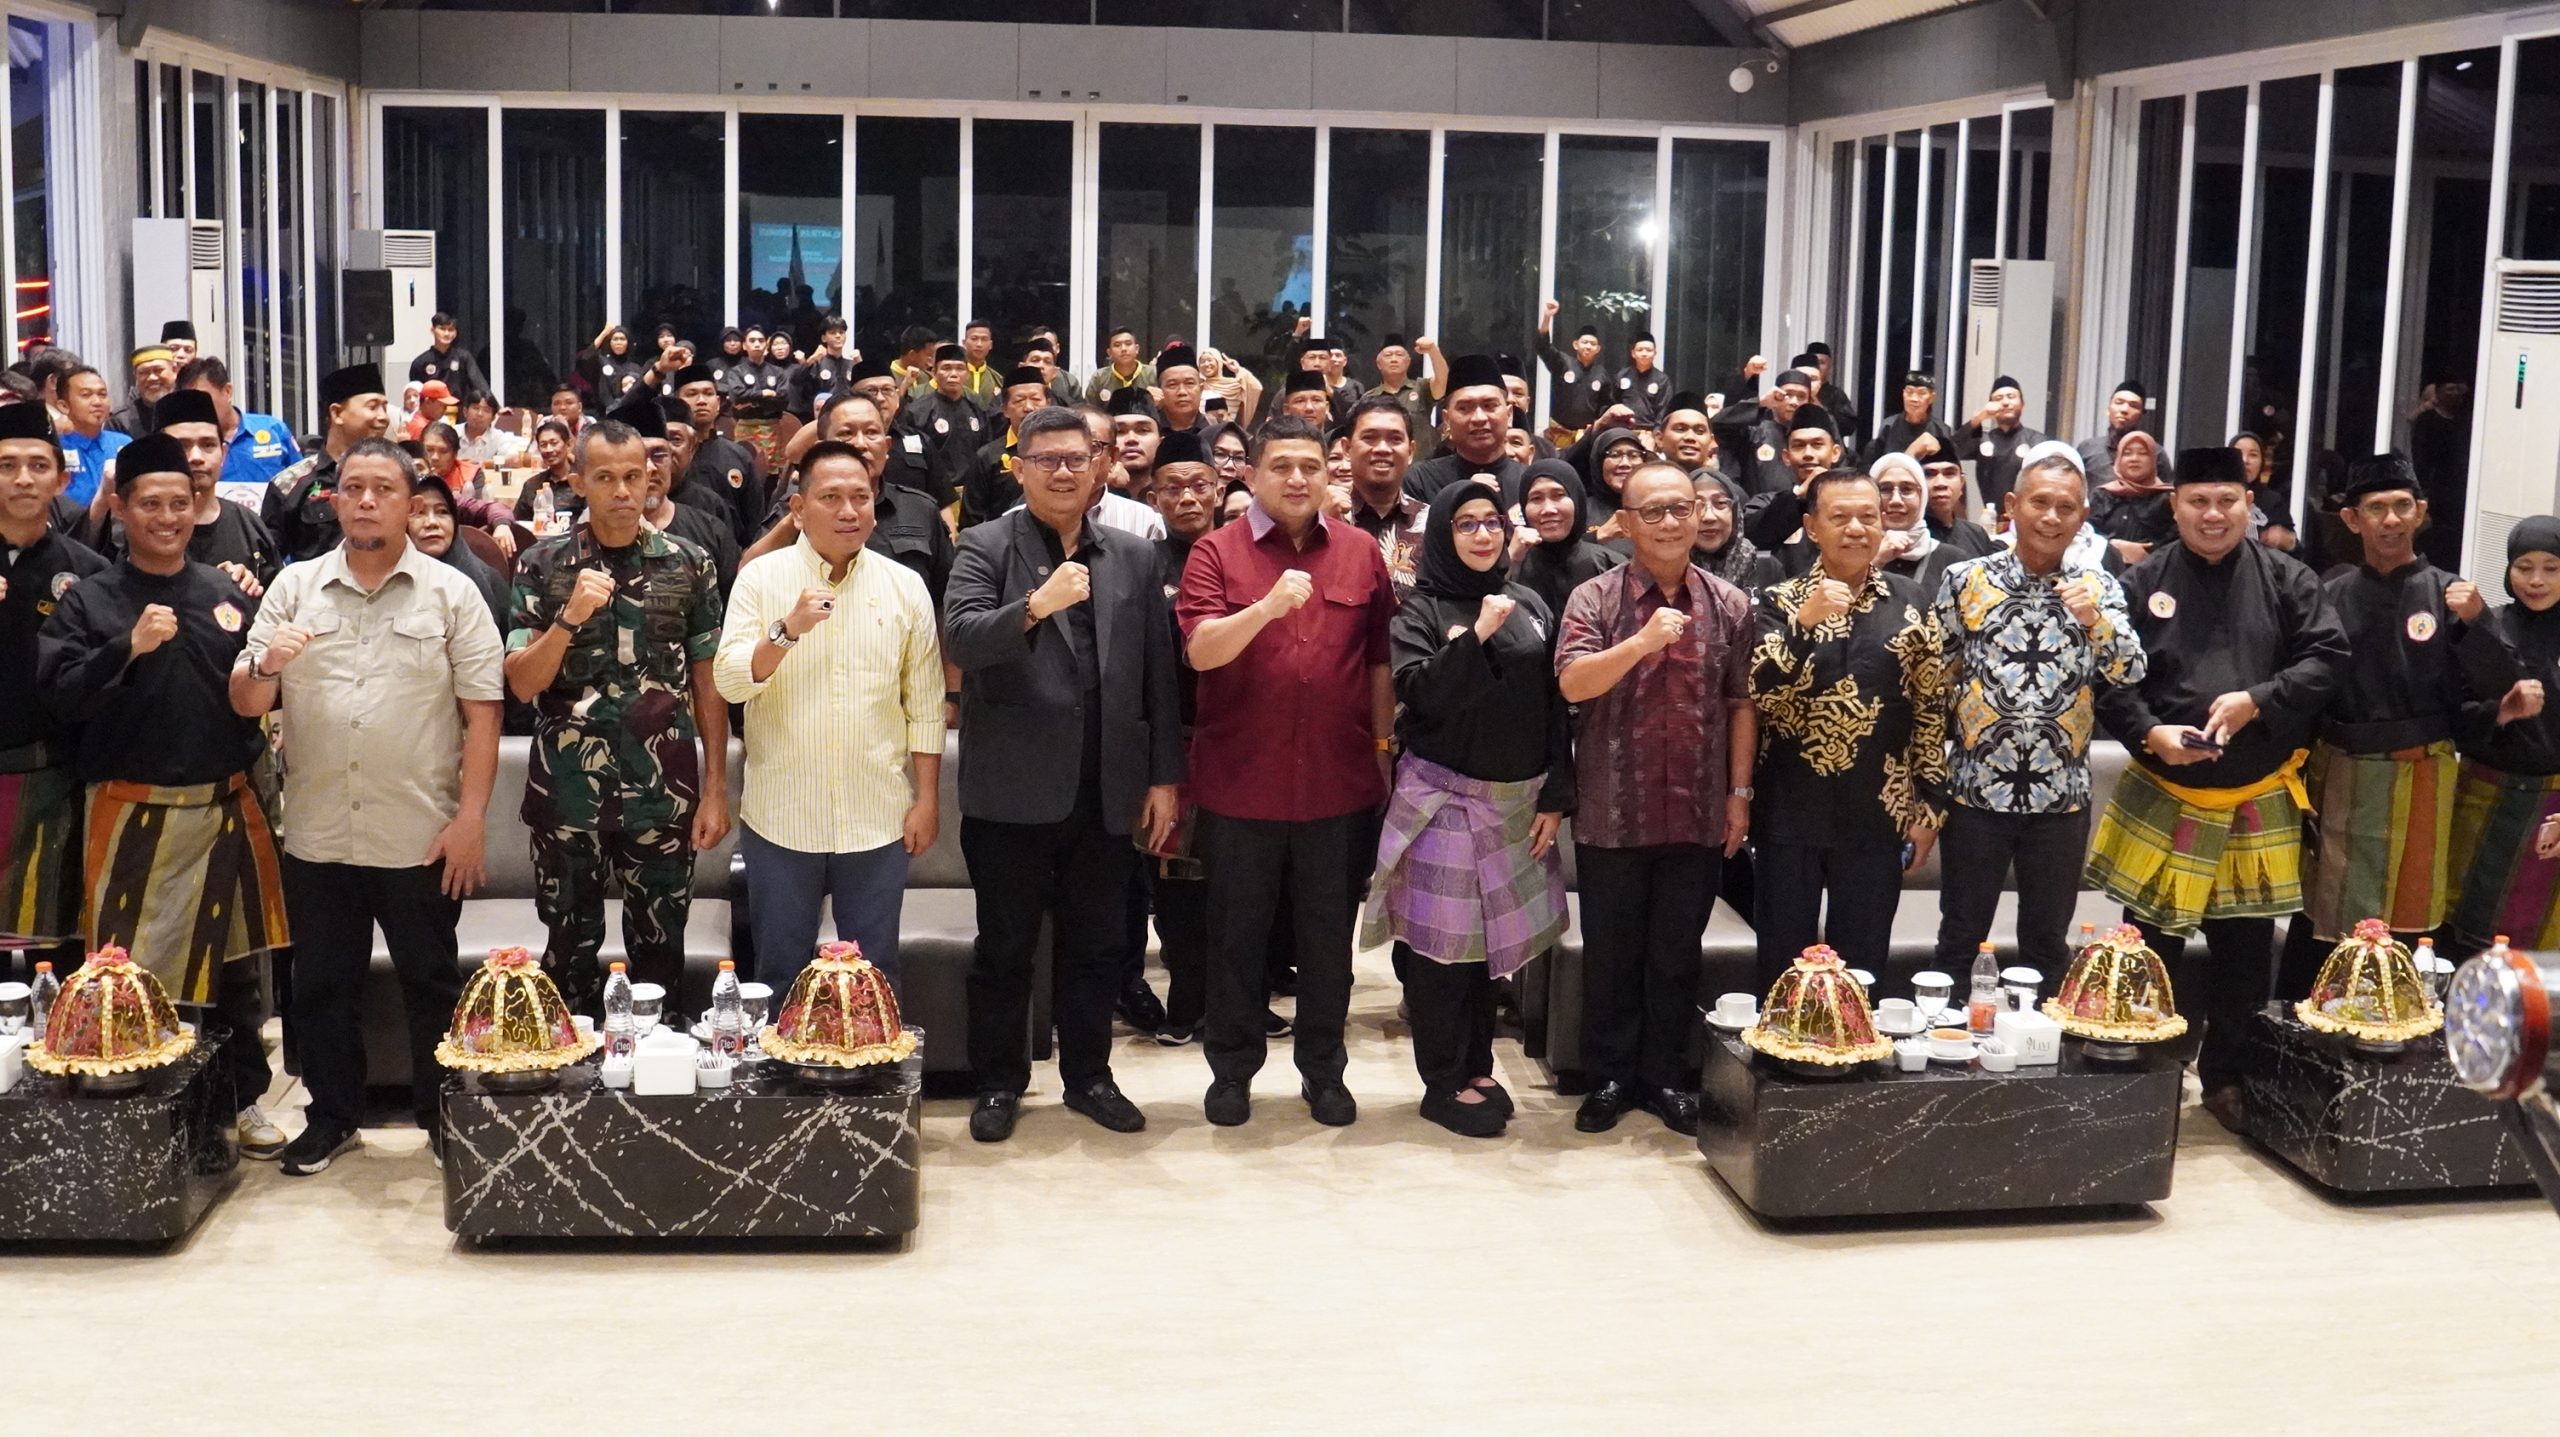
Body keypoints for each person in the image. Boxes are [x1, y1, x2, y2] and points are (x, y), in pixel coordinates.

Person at [228, 440, 501, 1174]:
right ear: (335, 500)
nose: (367, 500)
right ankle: (332, 1118)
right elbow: (246, 699)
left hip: (419, 831)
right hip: (318, 831)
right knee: (320, 987)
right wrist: (268, 663)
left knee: (431, 983)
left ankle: (442, 1119)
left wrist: (471, 820)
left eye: (384, 488)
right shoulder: (295, 587)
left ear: (411, 503)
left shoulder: (452, 593)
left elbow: (483, 714)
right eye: (353, 488)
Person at [36, 433, 288, 1157]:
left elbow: (255, 698)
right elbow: (61, 698)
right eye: (151, 504)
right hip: (131, 814)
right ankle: (150, 1118)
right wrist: (127, 648)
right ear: (121, 507)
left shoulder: (225, 593)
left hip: (225, 806)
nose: (169, 517)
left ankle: (240, 1101)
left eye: (180, 503)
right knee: (133, 977)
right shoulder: (90, 599)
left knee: (235, 976)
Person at [2087, 445, 2348, 1126]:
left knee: (2245, 950)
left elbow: (2327, 658)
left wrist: (2259, 699)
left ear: (2248, 504)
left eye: (2226, 500)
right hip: (2166, 786)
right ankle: (2144, 1074)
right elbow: (2110, 678)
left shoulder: (2289, 577)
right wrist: (2151, 733)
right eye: (2198, 501)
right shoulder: (2140, 582)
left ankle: (2227, 1079)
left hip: (2255, 788)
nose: (2212, 514)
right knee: (2148, 947)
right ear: (2174, 505)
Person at [944, 407, 1183, 1139]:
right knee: (1006, 947)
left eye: (1078, 458)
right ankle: (998, 1082)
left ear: (1101, 465)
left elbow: (1158, 674)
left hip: (1106, 787)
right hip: (1010, 789)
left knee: (1098, 945)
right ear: (1019, 468)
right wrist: (1034, 606)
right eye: (1046, 459)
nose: (1063, 472)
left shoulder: (1134, 554)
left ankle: (1090, 1077)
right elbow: (961, 639)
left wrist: (1163, 778)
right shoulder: (985, 545)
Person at [1177, 416, 1395, 1128]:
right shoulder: (1216, 551)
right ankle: (1232, 1072)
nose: (1297, 479)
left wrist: (1383, 749)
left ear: (1329, 473)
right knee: (1236, 940)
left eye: (1310, 466)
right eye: (1281, 466)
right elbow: (1202, 650)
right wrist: (1268, 608)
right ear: (1250, 474)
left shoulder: (1360, 550)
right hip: (1242, 783)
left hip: (1338, 782)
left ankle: (1323, 1072)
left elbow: (1378, 661)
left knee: (1328, 945)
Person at [1354, 483, 1567, 1138]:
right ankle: (1441, 1080)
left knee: (1489, 951)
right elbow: (1420, 694)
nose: (1482, 534)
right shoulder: (1420, 608)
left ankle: (1477, 1066)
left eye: (1491, 522)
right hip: (1443, 799)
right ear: (1443, 535)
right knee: (1441, 951)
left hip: (1516, 803)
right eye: (1466, 523)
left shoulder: (1531, 601)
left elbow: (1555, 701)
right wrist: (1475, 636)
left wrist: (1557, 794)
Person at [1555, 462, 1757, 1135]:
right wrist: (1641, 643)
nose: (1670, 522)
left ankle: (1666, 1075)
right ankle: (1609, 1075)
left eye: (1681, 508)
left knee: (1677, 953)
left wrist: (1738, 794)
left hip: (1697, 809)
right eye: (1653, 511)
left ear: (1699, 515)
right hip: (1614, 807)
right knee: (1612, 952)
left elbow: (1740, 702)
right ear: (1626, 521)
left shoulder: (1730, 603)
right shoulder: (1594, 598)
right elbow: (1573, 683)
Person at [503, 419, 730, 1010]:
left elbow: (708, 682)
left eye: (634, 476)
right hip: (567, 792)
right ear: (578, 481)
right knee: (566, 953)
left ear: (651, 477)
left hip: (663, 788)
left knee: (661, 953)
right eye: (605, 478)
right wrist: (569, 618)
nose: (623, 491)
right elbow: (523, 682)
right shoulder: (541, 562)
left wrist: (715, 789)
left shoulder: (690, 563)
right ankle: (574, 1063)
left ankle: (655, 1063)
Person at [715, 442, 941, 1002]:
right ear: (798, 508)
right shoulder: (760, 578)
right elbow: (731, 682)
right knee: (780, 974)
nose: (848, 511)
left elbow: (926, 701)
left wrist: (928, 798)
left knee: (874, 974)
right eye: (831, 498)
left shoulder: (903, 584)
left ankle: (873, 1062)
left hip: (877, 813)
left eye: (860, 498)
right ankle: (782, 1064)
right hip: (782, 815)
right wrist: (786, 630)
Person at [1932, 451, 2145, 976]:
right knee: (1960, 935)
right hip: (1976, 790)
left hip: (2060, 796)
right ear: (2012, 505)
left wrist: (2094, 620)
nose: (2051, 517)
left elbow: (2130, 670)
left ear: (2083, 516)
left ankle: (2043, 1029)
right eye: (2040, 503)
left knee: (2047, 943)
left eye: (2066, 508)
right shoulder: (1965, 579)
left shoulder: (2099, 587)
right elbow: (1934, 678)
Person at [1747, 467, 1951, 988]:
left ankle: (1855, 1044)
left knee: (1861, 972)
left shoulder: (1911, 602)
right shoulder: (1779, 600)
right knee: (1783, 971)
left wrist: (1931, 807)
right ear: (1812, 528)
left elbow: (1931, 709)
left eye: (1868, 517)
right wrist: (1804, 624)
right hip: (1789, 812)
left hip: (1878, 813)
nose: (1857, 529)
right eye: (1840, 517)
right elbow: (1760, 693)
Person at [2280, 453, 2474, 993]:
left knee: (2411, 915)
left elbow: (2479, 695)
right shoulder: (2329, 593)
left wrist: (2479, 624)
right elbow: (2305, 686)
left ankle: (2400, 1034)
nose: (2391, 520)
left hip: (2422, 774)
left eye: (2402, 506)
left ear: (2421, 513)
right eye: (2376, 508)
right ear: (2351, 519)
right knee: (2324, 912)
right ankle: (2303, 1030)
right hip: (2338, 773)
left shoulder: (2450, 594)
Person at [0, 401, 105, 967]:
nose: (23, 478)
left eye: (38, 466)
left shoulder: (87, 572)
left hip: (54, 779)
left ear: (62, 480)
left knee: (61, 947)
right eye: (7, 465)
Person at [2444, 516, 2560, 954]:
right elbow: (2455, 717)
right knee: (2463, 935)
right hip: (2483, 802)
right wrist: (2503, 712)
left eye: (2551, 568)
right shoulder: (2484, 626)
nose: (2536, 580)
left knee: (2542, 947)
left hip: (2553, 812)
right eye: (2524, 567)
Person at [146, 388, 282, 594]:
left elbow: (278, 600)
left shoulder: (249, 525)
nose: (196, 457)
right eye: (182, 446)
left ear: (223, 453)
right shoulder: (141, 528)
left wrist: (249, 593)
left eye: (208, 445)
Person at [265, 363, 391, 563]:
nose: (383, 417)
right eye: (373, 407)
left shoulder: (398, 477)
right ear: (337, 413)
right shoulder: (290, 484)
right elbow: (266, 560)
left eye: (385, 407)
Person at [176, 357, 302, 499]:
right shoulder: (183, 445)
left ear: (228, 391)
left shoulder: (273, 429)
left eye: (203, 400)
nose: (198, 409)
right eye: (190, 403)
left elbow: (302, 481)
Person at [1510, 458, 1623, 617]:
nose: (1548, 509)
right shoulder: (1514, 567)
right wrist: (1510, 562)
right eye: (1536, 498)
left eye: (1558, 495)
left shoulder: (1611, 565)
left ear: (1577, 500)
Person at [1339, 395, 1427, 595]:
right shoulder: (1323, 520)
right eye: (1369, 438)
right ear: (1347, 448)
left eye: (1395, 439)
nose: (1382, 449)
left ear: (1411, 451)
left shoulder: (1432, 523)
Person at [1404, 354, 1520, 505]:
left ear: (1509, 415)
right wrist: (1460, 496)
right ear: (1447, 420)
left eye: (1489, 406)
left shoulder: (1531, 483)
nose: (1479, 418)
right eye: (1464, 408)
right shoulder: (1421, 480)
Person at [959, 366, 1055, 529]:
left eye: (1036, 399)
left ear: (1048, 404)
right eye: (1019, 400)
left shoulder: (1061, 452)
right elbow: (971, 519)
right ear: (1004, 409)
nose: (1028, 407)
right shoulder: (987, 456)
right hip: (1001, 540)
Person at [411, 474, 510, 630]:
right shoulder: (384, 579)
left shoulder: (485, 579)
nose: (432, 522)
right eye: (419, 513)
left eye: (442, 511)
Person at [903, 343, 989, 503]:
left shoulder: (977, 410)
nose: (953, 374)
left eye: (960, 368)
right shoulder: (917, 411)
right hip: (934, 495)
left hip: (972, 494)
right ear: (934, 373)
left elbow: (985, 453)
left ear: (967, 374)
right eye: (946, 368)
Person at [1714, 365, 1816, 497]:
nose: (1794, 402)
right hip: (1758, 507)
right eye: (1788, 395)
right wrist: (1762, 402)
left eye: (1801, 397)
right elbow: (1718, 425)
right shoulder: (1755, 432)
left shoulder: (1814, 436)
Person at [1951, 375, 2047, 510]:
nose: (2005, 402)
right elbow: (1953, 450)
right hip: (1991, 516)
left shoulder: (2038, 441)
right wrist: (1979, 417)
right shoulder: (1984, 439)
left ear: (2022, 405)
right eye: (1998, 398)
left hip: (2026, 515)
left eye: (2011, 397)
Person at [2088, 428, 2175, 566]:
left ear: (2153, 460)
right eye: (2127, 453)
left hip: (2152, 571)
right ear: (2118, 459)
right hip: (2102, 570)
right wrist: (2113, 546)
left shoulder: (2167, 499)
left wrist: (2148, 554)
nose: (2134, 459)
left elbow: (2176, 541)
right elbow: (2085, 533)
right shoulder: (2102, 495)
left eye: (2143, 453)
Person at [1692, 468, 1780, 594]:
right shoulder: (1670, 573)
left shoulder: (1766, 568)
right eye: (1697, 505)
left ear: (1735, 512)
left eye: (1720, 503)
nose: (1709, 516)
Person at [57, 366, 130, 512]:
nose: (97, 402)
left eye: (103, 395)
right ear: (64, 406)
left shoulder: (123, 443)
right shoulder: (55, 447)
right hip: (69, 523)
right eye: (86, 395)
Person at [1536, 303, 1612, 443]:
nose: (1588, 346)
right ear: (1576, 345)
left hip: (1586, 434)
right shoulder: (1563, 363)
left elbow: (1605, 405)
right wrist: (1547, 317)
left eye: (1592, 344)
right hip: (1559, 432)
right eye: (1585, 342)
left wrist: (1599, 425)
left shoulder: (1602, 374)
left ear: (1598, 349)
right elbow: (1543, 347)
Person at [1861, 371, 1955, 470]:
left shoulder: (1941, 429)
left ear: (1932, 397)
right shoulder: (1888, 426)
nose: (1914, 399)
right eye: (1909, 392)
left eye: (1921, 393)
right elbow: (1874, 464)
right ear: (1903, 394)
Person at [2077, 379, 2149, 490]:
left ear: (2141, 416)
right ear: (2108, 410)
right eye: (2119, 403)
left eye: (2133, 405)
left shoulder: (2155, 455)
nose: (2124, 409)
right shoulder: (2087, 449)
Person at [409, 311, 491, 402]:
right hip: (431, 409)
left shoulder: (463, 357)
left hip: (458, 408)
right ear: (433, 330)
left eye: (451, 330)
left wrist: (497, 407)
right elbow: (414, 392)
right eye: (442, 329)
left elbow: (480, 384)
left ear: (455, 333)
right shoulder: (420, 362)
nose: (447, 333)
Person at [513, 419, 581, 523]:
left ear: (568, 445)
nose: (549, 450)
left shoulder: (582, 482)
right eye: (543, 445)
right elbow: (519, 524)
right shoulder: (532, 485)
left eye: (554, 443)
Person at [112, 344, 178, 438]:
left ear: (174, 370)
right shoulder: (121, 421)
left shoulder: (190, 410)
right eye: (144, 372)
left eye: (158, 370)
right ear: (135, 376)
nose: (152, 378)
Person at [1613, 332, 1670, 431]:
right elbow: (1613, 403)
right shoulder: (1622, 376)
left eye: (1649, 350)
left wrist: (1656, 433)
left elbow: (1664, 411)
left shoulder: (1662, 380)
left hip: (1649, 431)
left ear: (1655, 353)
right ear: (1633, 353)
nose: (1644, 354)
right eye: (1640, 350)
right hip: (1623, 429)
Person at [1085, 328, 1156, 406]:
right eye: (1117, 345)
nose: (1123, 349)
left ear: (1137, 349)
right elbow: (1089, 409)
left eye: (1128, 344)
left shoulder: (1154, 374)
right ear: (1109, 353)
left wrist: (1160, 402)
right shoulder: (1099, 377)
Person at [1154, 345, 1207, 436]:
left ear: (1201, 389)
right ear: (1159, 390)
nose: (1182, 392)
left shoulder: (1217, 431)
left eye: (1189, 383)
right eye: (1172, 385)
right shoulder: (1147, 430)